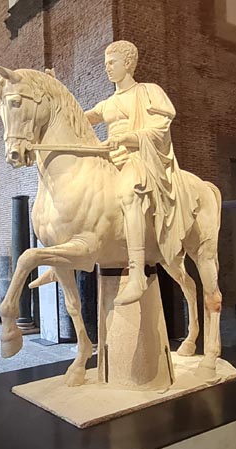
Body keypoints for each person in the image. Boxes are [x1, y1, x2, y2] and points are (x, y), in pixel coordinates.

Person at [85, 40, 180, 305]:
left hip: (138, 159)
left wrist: (127, 138)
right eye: (105, 64)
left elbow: (160, 128)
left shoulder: (149, 92)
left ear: (127, 63)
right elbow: (81, 118)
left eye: (111, 63)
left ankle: (138, 272)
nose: (107, 68)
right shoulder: (107, 104)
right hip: (110, 160)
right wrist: (56, 93)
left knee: (128, 192)